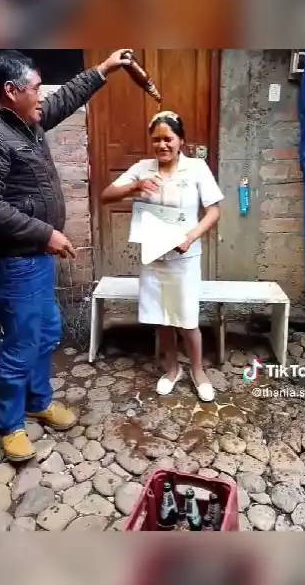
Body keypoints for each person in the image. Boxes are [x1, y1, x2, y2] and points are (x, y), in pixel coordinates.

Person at [0, 48, 134, 462]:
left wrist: (103, 70)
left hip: (34, 260)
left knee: (47, 332)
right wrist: (45, 233)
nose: (42, 95)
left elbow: (62, 100)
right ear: (10, 90)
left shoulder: (24, 119)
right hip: (14, 261)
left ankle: (38, 400)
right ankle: (11, 424)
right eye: (35, 88)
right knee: (21, 343)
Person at [100, 111, 224, 402]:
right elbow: (106, 194)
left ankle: (198, 371)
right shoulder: (143, 168)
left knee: (187, 318)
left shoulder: (196, 169)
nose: (162, 145)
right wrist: (134, 186)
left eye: (168, 139)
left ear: (181, 140)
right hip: (154, 256)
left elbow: (215, 210)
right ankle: (172, 369)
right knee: (162, 318)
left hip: (184, 258)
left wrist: (190, 237)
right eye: (156, 139)